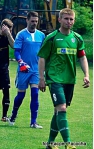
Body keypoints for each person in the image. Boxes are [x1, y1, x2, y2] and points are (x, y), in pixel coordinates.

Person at [38, 8, 90, 149]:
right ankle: (68, 143)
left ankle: (50, 143)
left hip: (69, 80)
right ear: (59, 20)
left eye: (71, 19)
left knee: (58, 111)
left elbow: (82, 57)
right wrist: (41, 78)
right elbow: (42, 58)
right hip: (54, 79)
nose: (69, 21)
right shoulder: (52, 38)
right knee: (62, 108)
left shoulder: (77, 38)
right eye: (66, 18)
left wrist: (86, 75)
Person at [9, 11, 45, 128]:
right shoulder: (21, 34)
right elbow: (16, 51)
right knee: (21, 96)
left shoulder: (41, 35)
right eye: (32, 21)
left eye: (36, 21)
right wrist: (21, 62)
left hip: (36, 70)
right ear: (27, 20)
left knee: (35, 94)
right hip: (24, 70)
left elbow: (44, 53)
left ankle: (33, 122)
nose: (34, 23)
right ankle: (13, 116)